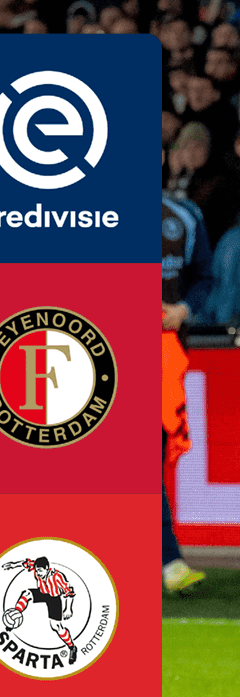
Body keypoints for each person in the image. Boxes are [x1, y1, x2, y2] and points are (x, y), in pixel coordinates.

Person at [162, 192, 210, 593]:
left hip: (163, 354)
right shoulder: (83, 215)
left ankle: (168, 561)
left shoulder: (184, 215)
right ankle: (168, 561)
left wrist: (183, 310)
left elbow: (204, 278)